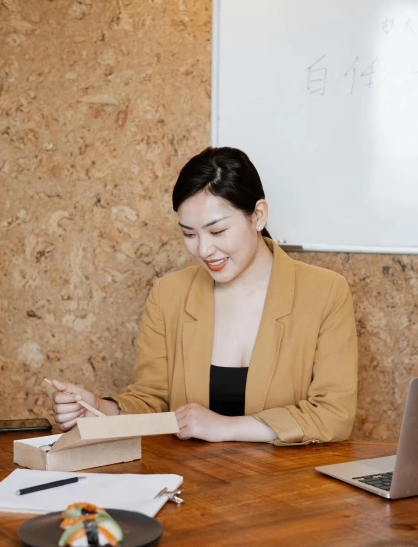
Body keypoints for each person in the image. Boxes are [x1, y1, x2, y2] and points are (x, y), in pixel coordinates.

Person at [52, 147, 358, 446]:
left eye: (218, 231)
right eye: (189, 234)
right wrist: (98, 410)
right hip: (194, 486)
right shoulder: (169, 295)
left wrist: (225, 427)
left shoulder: (325, 292)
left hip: (291, 487)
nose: (203, 250)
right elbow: (151, 400)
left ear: (259, 215)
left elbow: (333, 414)